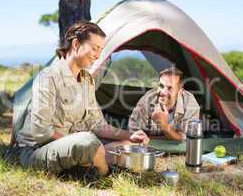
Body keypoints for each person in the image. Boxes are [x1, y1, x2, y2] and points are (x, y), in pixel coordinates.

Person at [15, 21, 149, 175]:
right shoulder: (48, 77)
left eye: (101, 50)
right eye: (95, 48)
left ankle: (93, 159)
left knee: (126, 146)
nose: (98, 55)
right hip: (37, 150)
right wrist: (80, 141)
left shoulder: (87, 80)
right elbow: (42, 131)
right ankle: (104, 173)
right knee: (89, 143)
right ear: (76, 44)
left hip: (78, 144)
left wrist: (130, 135)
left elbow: (97, 124)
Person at [128, 68, 200, 141]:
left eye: (169, 88)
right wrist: (139, 135)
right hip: (149, 148)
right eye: (161, 86)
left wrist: (163, 125)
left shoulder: (190, 104)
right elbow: (134, 130)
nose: (163, 92)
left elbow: (186, 140)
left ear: (180, 91)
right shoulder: (147, 99)